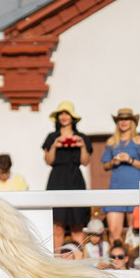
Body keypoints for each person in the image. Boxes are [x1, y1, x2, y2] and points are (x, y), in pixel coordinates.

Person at [42, 101, 92, 248]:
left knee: (77, 224)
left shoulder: (81, 137)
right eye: (61, 114)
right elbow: (48, 161)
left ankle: (78, 259)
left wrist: (82, 145)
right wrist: (55, 145)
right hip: (57, 179)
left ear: (72, 117)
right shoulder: (52, 137)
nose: (64, 117)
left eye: (67, 114)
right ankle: (56, 260)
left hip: (75, 178)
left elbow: (85, 162)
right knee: (57, 226)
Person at [100, 108, 140, 244]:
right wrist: (114, 161)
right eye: (120, 119)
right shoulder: (111, 142)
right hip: (116, 187)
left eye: (127, 119)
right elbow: (105, 166)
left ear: (132, 122)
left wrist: (130, 160)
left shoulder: (139, 140)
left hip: (135, 187)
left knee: (134, 231)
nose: (123, 122)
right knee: (113, 230)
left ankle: (134, 263)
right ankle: (115, 262)